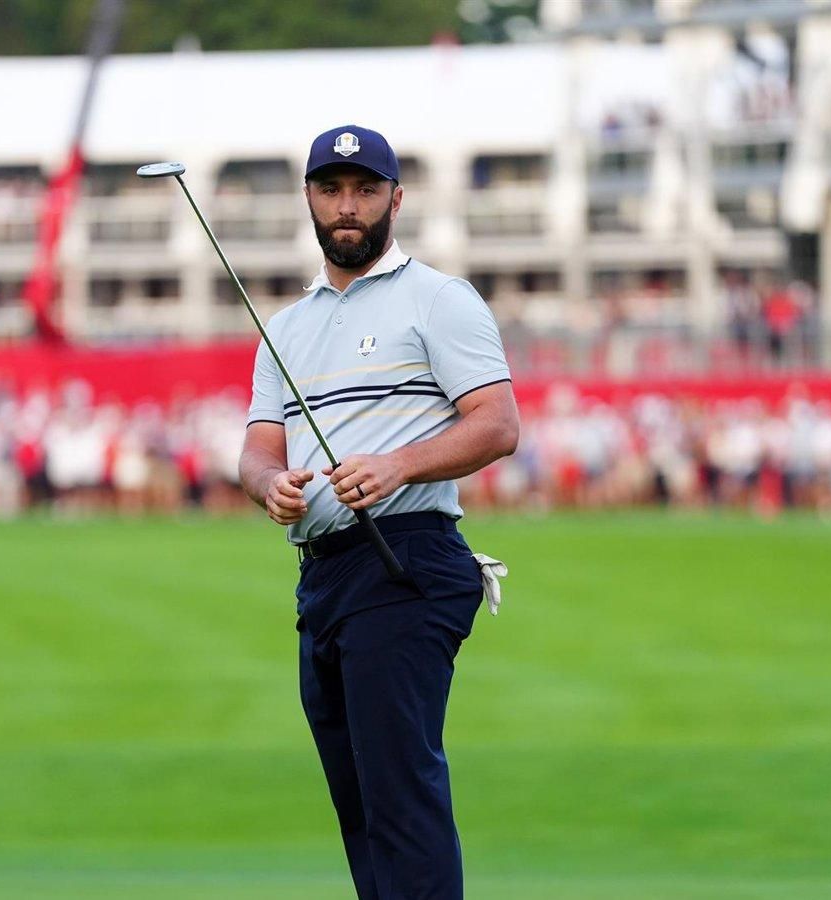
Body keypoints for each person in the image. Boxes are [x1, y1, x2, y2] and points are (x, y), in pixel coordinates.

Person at [238, 125, 520, 900]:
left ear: (396, 200)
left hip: (404, 559)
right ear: (309, 199)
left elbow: (497, 424)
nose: (347, 206)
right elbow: (257, 449)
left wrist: (398, 465)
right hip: (324, 578)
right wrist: (269, 485)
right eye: (331, 190)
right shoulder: (285, 327)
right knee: (361, 807)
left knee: (399, 798)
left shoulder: (438, 299)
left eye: (365, 190)